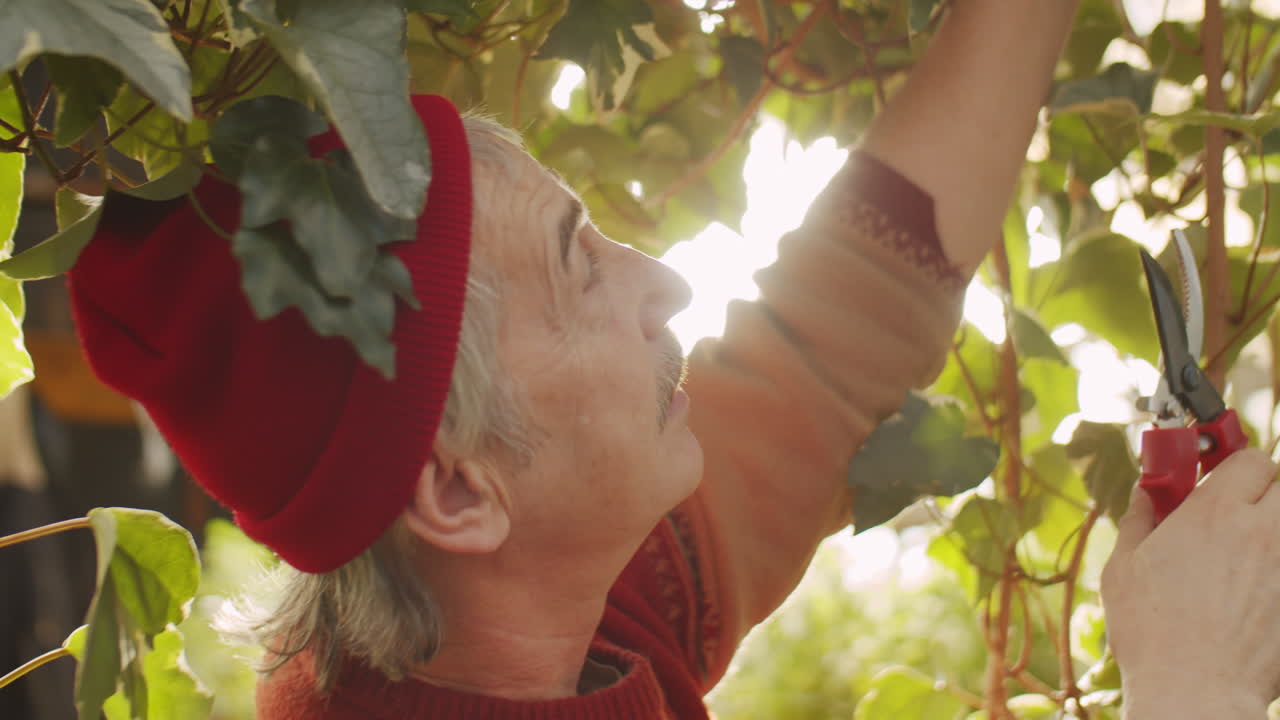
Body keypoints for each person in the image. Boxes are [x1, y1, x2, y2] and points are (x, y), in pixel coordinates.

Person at [63, 0, 1280, 717]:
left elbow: (828, 339)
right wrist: (1191, 693)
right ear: (454, 487)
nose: (671, 284)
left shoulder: (542, 609)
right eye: (579, 264)